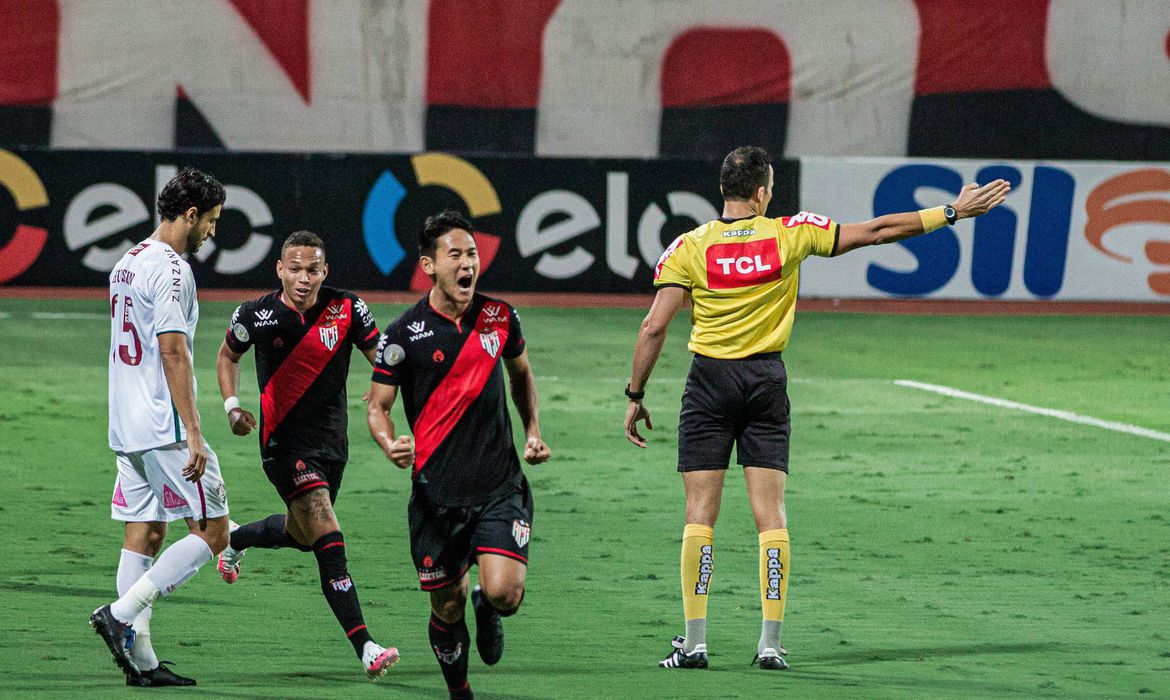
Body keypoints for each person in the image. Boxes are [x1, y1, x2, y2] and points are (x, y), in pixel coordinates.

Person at [623, 146, 1010, 671]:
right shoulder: (790, 233)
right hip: (765, 381)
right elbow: (875, 231)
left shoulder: (689, 247)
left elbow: (653, 326)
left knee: (700, 514)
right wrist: (950, 212)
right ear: (762, 193)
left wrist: (636, 393)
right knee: (771, 517)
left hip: (709, 385)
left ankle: (694, 644)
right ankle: (769, 644)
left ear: (723, 191)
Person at [366, 210, 551, 700]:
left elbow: (522, 375)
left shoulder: (499, 317)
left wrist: (532, 430)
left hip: (498, 486)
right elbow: (377, 407)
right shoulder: (402, 335)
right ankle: (460, 691)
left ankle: (487, 606)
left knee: (505, 594)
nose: (469, 263)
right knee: (446, 609)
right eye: (456, 255)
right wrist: (389, 443)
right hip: (436, 497)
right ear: (429, 265)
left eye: (472, 253)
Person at [213, 230, 399, 679]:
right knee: (327, 534)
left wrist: (396, 379)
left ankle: (233, 540)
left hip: (333, 444)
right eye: (294, 268)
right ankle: (366, 645)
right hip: (283, 445)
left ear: (325, 272)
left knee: (302, 535)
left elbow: (384, 357)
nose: (303, 278)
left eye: (312, 269)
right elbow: (227, 356)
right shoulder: (256, 314)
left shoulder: (348, 308)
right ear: (279, 269)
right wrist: (233, 406)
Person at [92, 167, 231, 687]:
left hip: (126, 424)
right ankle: (121, 614)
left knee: (146, 531)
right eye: (211, 221)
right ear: (190, 215)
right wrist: (194, 430)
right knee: (214, 530)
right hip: (163, 423)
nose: (212, 232)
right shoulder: (172, 269)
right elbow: (172, 348)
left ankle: (142, 663)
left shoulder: (125, 261)